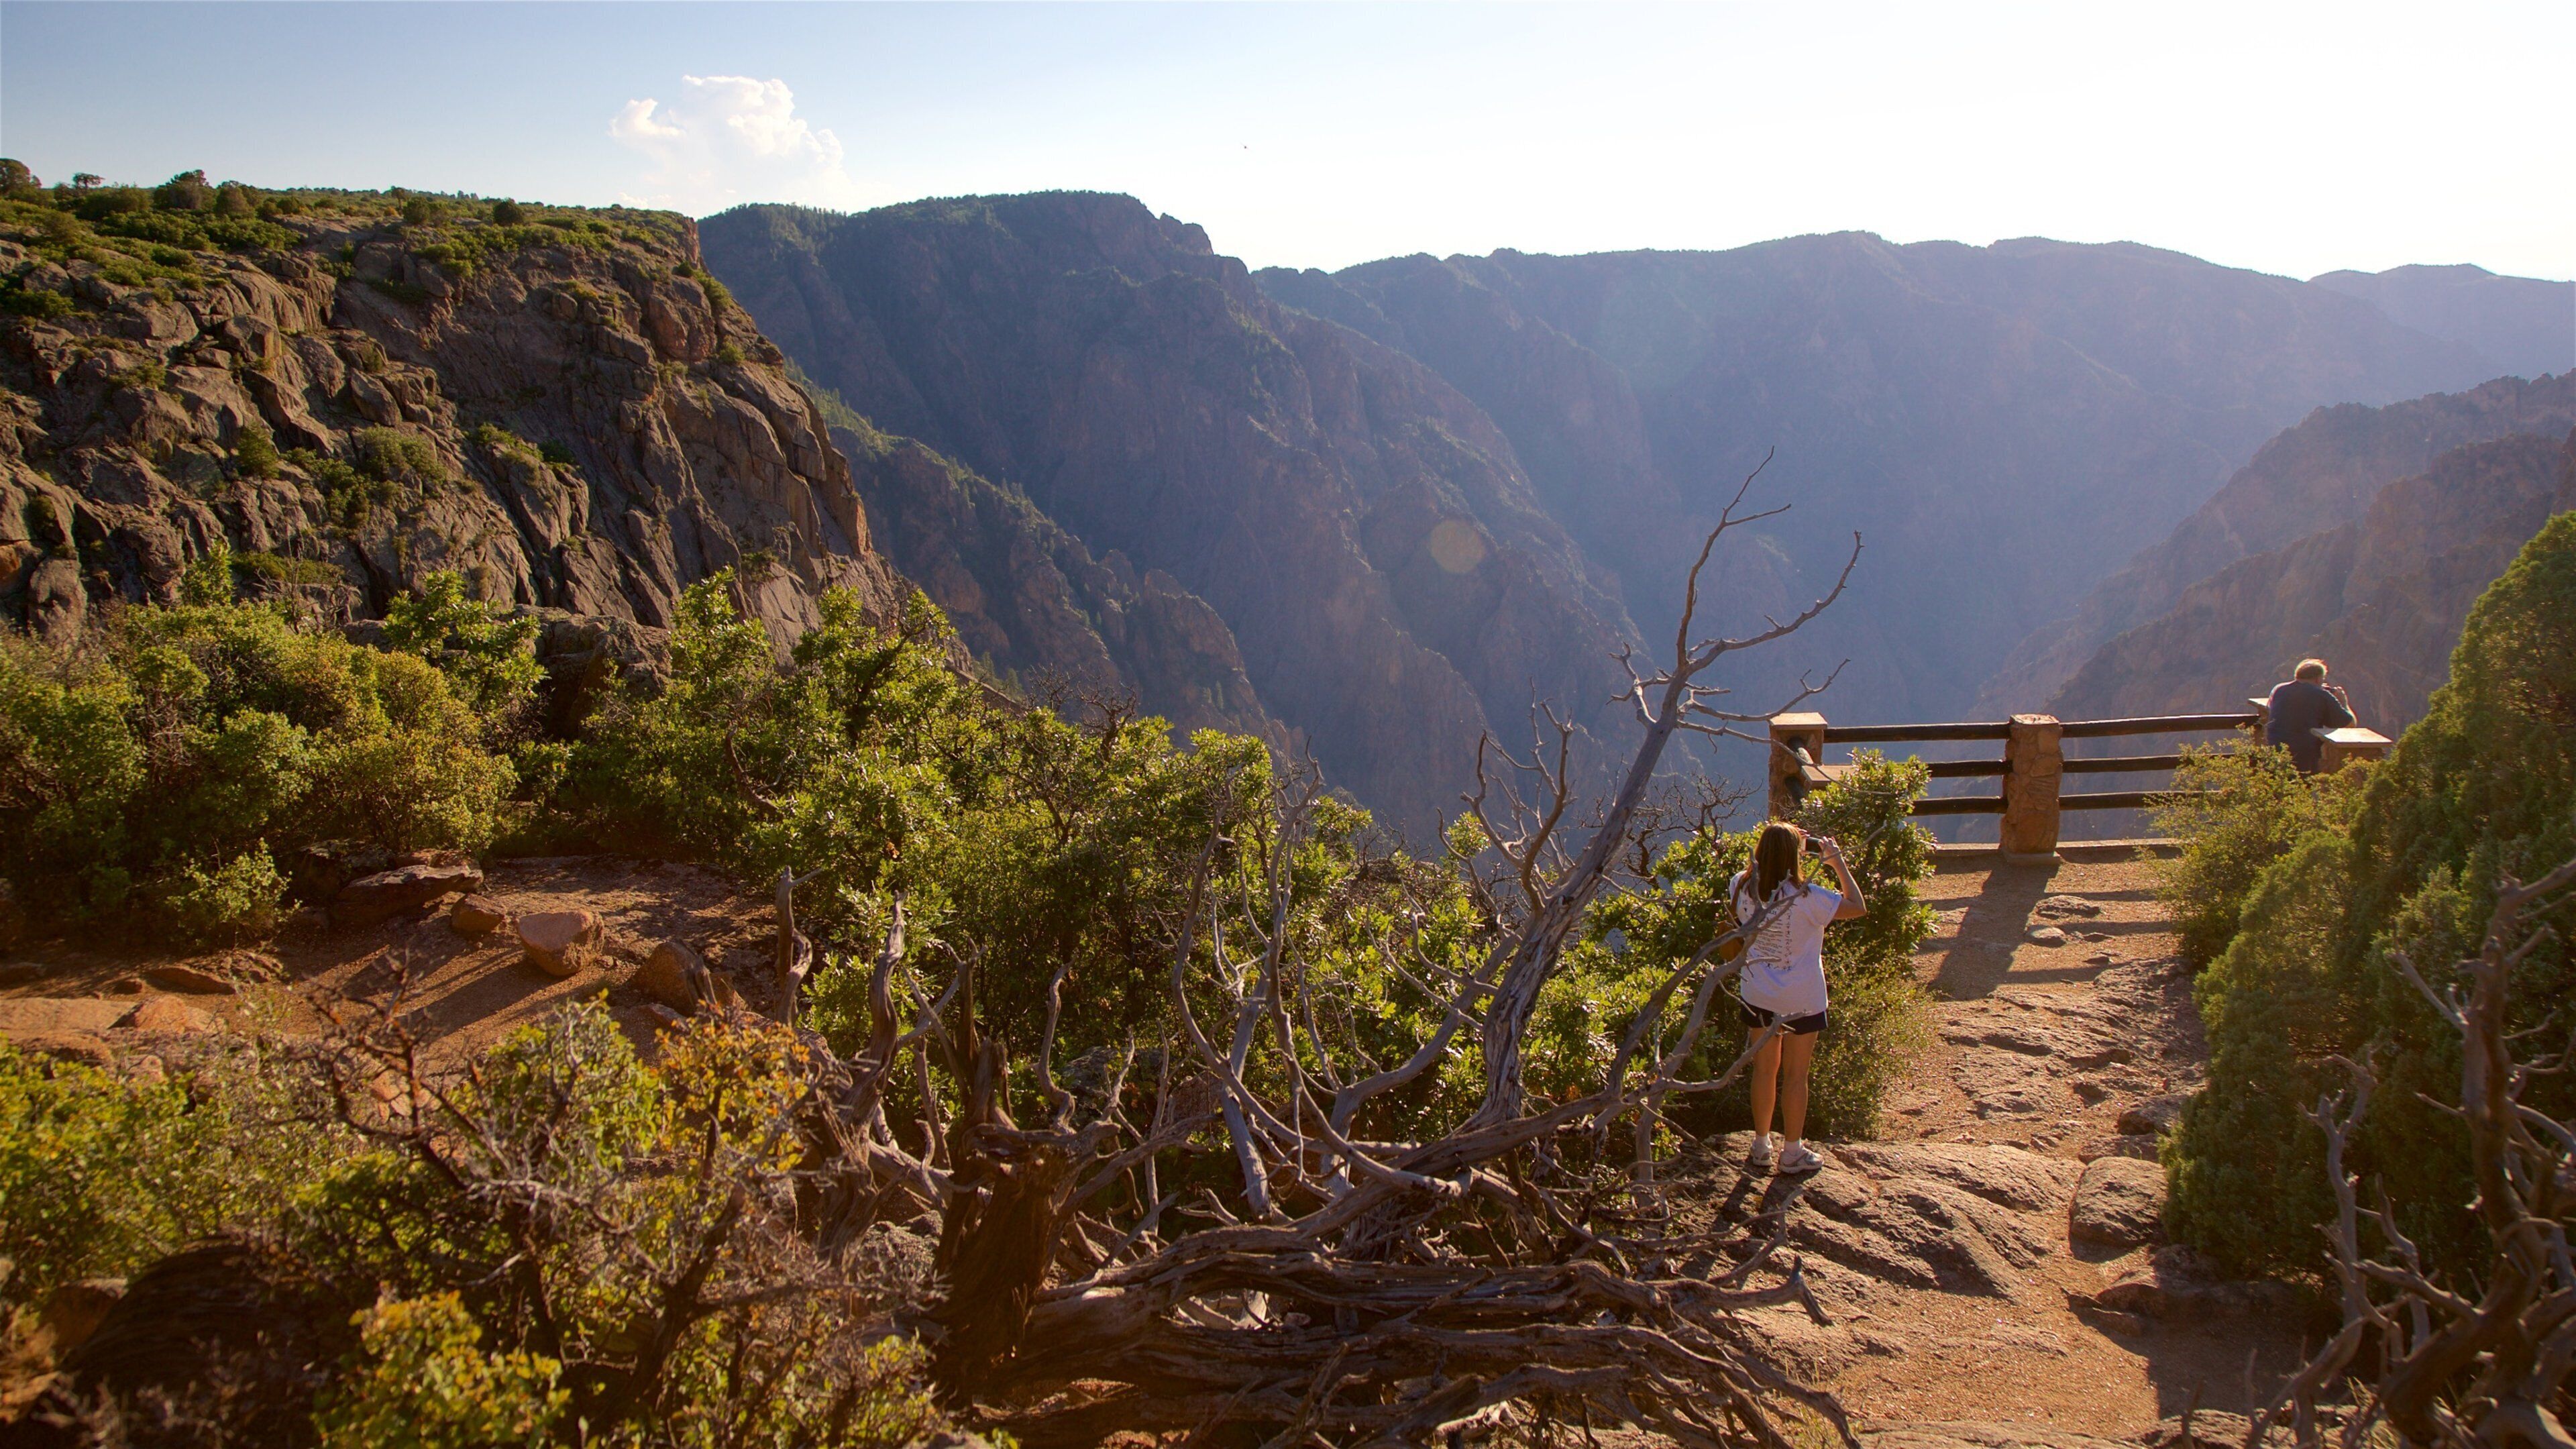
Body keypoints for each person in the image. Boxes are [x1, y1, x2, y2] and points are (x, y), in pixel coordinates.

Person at [1730, 821, 1868, 1176]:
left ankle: (1761, 1146)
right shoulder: (1810, 897)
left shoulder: (1740, 886)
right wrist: (1837, 862)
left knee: (1764, 1070)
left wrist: (1786, 844)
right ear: (1796, 856)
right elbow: (1858, 906)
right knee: (1795, 1076)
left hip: (1757, 992)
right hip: (1802, 998)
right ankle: (1792, 1152)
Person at [2265, 658, 2356, 774]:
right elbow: (2350, 724)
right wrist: (2343, 702)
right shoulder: (2322, 695)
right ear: (2318, 679)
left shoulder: (2279, 689)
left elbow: (2270, 708)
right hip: (2304, 756)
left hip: (2275, 751)